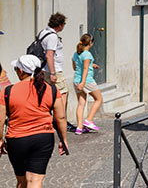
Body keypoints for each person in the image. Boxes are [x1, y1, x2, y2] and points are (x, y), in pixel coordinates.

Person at [0, 55, 69, 187]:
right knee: (35, 181)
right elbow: (61, 117)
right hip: (43, 139)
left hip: (17, 139)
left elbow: (0, 120)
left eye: (16, 68)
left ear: (21, 71)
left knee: (22, 181)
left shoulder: (7, 91)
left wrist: (0, 140)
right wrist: (63, 139)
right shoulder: (51, 89)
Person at [71, 33, 102, 134]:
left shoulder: (76, 53)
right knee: (99, 99)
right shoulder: (87, 54)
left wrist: (91, 65)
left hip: (76, 80)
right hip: (86, 81)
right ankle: (89, 120)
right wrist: (83, 82)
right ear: (90, 43)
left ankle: (79, 128)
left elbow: (75, 67)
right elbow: (85, 68)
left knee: (81, 103)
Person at [38, 13, 69, 116]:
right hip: (52, 70)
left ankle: (49, 116)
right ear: (60, 25)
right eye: (64, 23)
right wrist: (53, 73)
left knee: (47, 94)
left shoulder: (43, 32)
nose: (64, 26)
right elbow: (49, 55)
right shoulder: (52, 37)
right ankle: (60, 118)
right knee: (63, 93)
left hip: (43, 70)